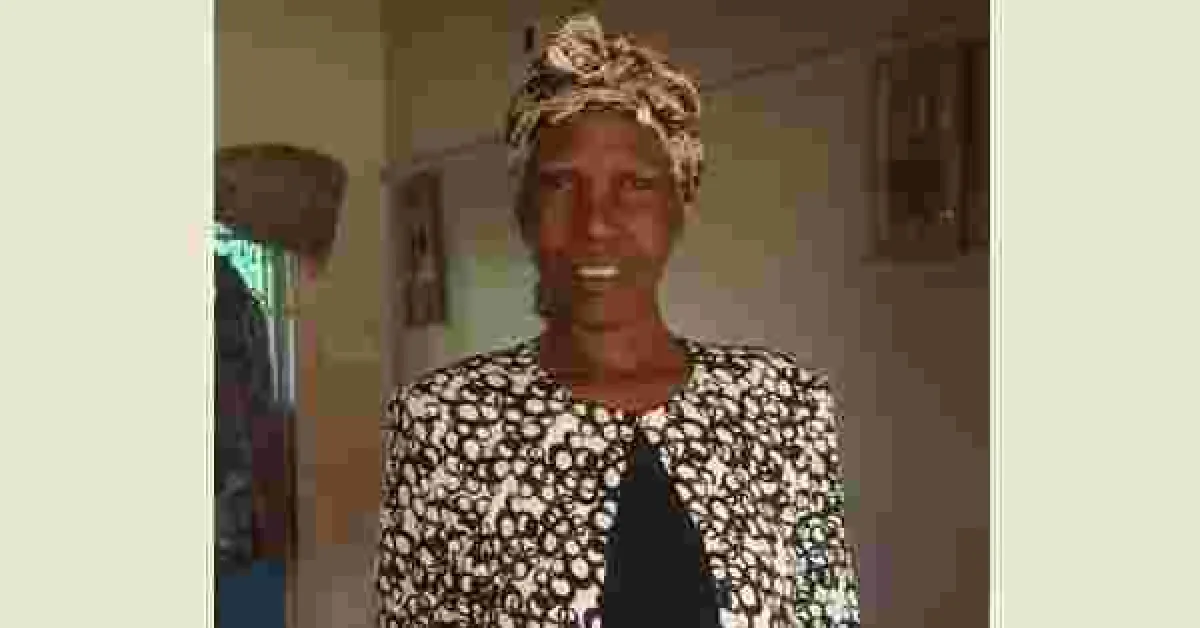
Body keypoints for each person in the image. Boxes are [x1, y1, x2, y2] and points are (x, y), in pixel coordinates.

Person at [375, 13, 860, 627]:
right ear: (524, 210)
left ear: (681, 204)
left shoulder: (784, 407)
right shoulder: (440, 424)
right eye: (561, 184)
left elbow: (829, 613)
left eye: (634, 184)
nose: (597, 222)